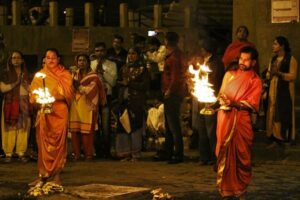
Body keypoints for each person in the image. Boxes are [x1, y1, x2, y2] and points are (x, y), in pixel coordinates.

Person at [216, 46, 262, 199]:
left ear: (253, 62)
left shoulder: (255, 81)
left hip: (241, 120)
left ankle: (240, 189)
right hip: (225, 118)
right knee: (225, 153)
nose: (242, 62)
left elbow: (252, 104)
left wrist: (234, 103)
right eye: (241, 58)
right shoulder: (229, 74)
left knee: (242, 156)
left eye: (247, 60)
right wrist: (219, 101)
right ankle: (226, 189)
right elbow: (221, 95)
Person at [28, 48, 73, 196]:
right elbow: (32, 94)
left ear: (59, 59)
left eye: (53, 58)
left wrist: (51, 97)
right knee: (43, 144)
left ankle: (57, 176)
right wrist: (40, 100)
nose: (51, 60)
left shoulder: (64, 74)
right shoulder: (39, 75)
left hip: (59, 112)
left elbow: (67, 93)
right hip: (44, 113)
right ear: (44, 60)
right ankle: (43, 175)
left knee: (58, 144)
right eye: (48, 58)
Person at [69, 54, 106, 161]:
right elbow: (69, 88)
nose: (81, 62)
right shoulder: (73, 74)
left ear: (88, 62)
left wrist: (78, 86)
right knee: (75, 131)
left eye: (84, 60)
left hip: (87, 107)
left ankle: (88, 154)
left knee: (87, 132)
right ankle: (76, 154)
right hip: (75, 105)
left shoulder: (93, 76)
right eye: (79, 60)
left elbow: (92, 90)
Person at [115, 47, 150, 161]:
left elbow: (145, 86)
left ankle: (135, 154)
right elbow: (119, 83)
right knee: (123, 127)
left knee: (135, 127)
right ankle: (125, 154)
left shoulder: (143, 70)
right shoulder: (123, 68)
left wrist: (130, 83)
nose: (131, 56)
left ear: (138, 55)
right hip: (123, 102)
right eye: (129, 54)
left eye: (133, 53)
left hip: (136, 102)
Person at [265, 36, 297, 146]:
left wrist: (280, 74)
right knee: (272, 112)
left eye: (275, 44)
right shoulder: (273, 59)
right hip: (273, 89)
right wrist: (269, 75)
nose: (273, 46)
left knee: (282, 112)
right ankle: (273, 136)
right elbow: (269, 74)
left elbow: (293, 76)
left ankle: (283, 137)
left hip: (285, 91)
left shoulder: (290, 59)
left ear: (282, 46)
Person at [197, 39, 224, 165]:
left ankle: (215, 157)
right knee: (201, 129)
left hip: (211, 99)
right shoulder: (203, 62)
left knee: (211, 130)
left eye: (202, 48)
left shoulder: (216, 63)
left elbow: (216, 80)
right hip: (201, 98)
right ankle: (204, 156)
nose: (201, 51)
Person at [1, 51, 30, 163]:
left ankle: (21, 152)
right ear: (11, 60)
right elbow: (3, 89)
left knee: (23, 127)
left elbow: (31, 89)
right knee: (10, 127)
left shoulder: (27, 74)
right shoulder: (6, 74)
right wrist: (16, 82)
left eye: (18, 58)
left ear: (22, 60)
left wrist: (24, 83)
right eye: (14, 58)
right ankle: (8, 152)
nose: (16, 60)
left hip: (24, 101)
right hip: (10, 102)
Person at [162, 32, 187, 164]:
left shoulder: (174, 57)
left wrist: (169, 90)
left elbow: (176, 77)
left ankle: (177, 153)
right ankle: (169, 151)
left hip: (173, 93)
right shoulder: (176, 55)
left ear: (166, 41)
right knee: (169, 124)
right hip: (173, 92)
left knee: (173, 124)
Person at [90, 42, 117, 158]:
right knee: (95, 124)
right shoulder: (91, 64)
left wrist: (102, 72)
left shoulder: (112, 64)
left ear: (105, 52)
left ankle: (106, 150)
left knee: (106, 125)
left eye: (101, 50)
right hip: (93, 98)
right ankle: (97, 150)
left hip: (107, 96)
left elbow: (113, 82)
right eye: (97, 51)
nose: (99, 53)